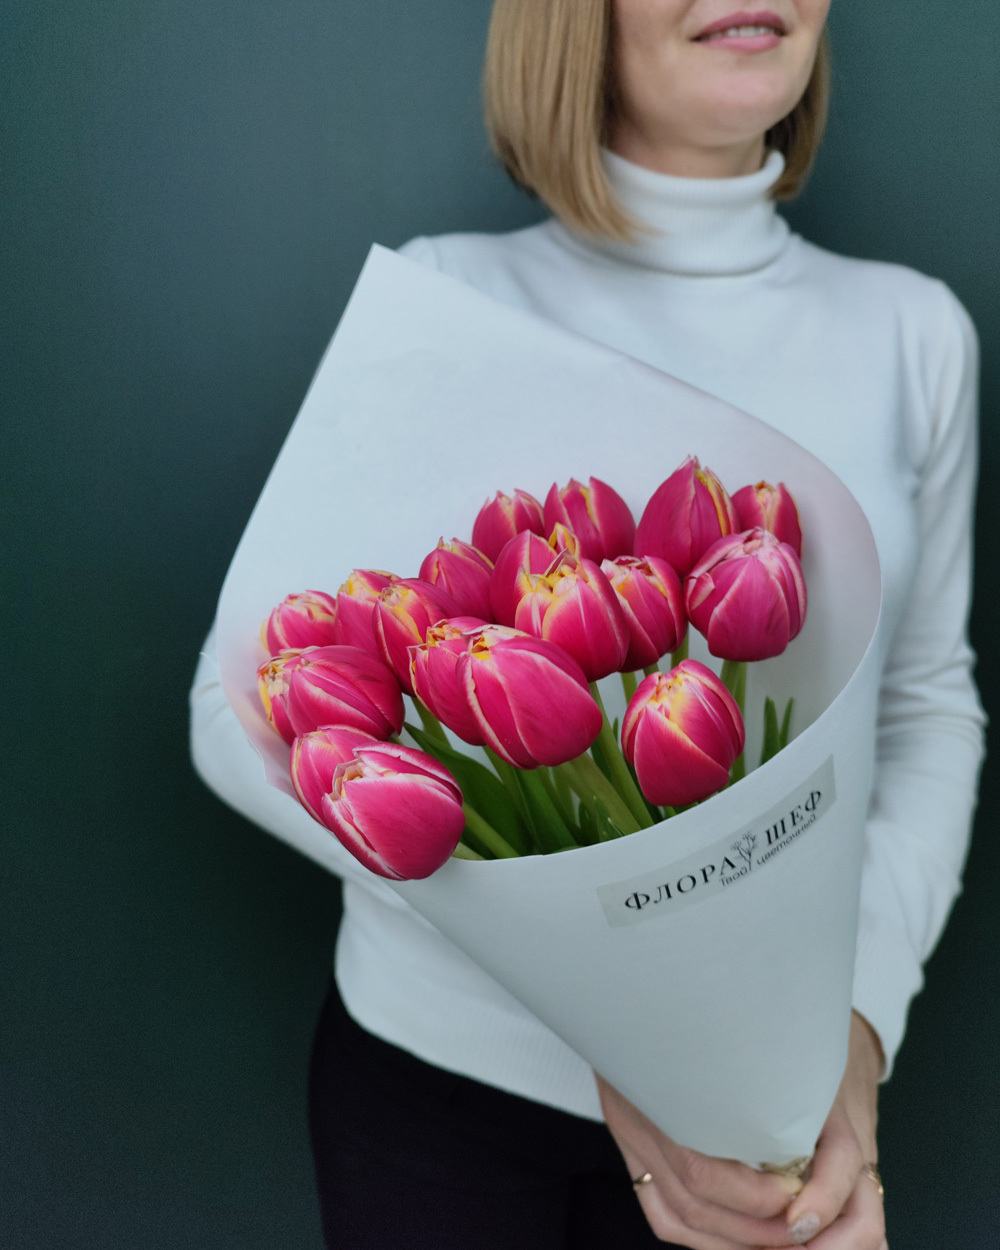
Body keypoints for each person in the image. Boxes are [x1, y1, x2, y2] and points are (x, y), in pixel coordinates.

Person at [189, 2, 985, 1246]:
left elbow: (925, 705)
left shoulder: (913, 330)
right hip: (434, 1101)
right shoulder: (444, 298)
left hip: (761, 1117)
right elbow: (233, 712)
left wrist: (854, 1029)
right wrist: (615, 1022)